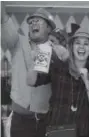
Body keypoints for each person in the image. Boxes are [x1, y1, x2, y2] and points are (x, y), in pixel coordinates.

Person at [1, 2, 68, 137]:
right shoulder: (17, 42)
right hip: (20, 121)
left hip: (46, 121)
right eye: (31, 22)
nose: (33, 24)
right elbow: (3, 18)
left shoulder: (57, 52)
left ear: (49, 28)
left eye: (38, 21)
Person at [27, 28, 89, 137]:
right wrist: (33, 61)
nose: (81, 47)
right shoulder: (57, 68)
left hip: (84, 131)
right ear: (72, 47)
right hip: (57, 131)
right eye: (77, 43)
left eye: (86, 44)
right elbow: (31, 81)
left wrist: (86, 80)